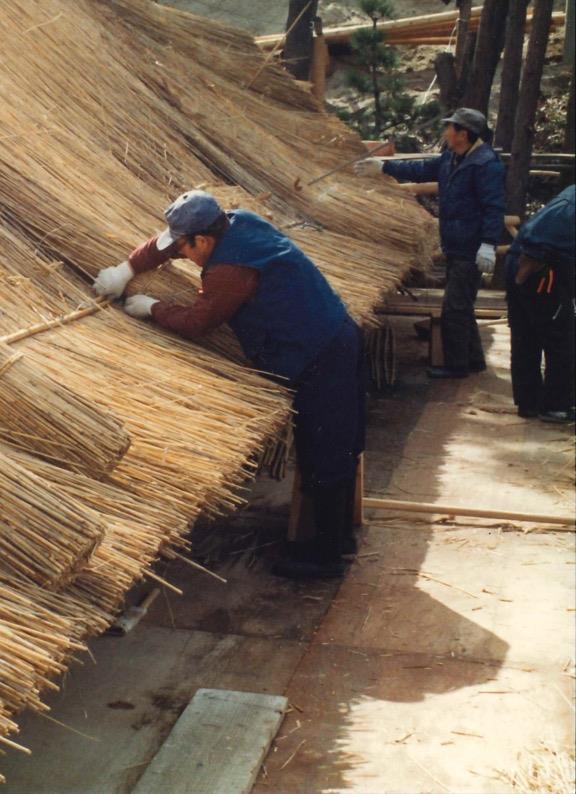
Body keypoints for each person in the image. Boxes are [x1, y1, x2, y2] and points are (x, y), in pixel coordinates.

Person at [93, 191, 365, 579]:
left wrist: (152, 307)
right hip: (333, 334)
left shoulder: (230, 271)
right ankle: (336, 540)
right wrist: (126, 269)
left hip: (319, 353)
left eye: (185, 248)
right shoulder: (238, 221)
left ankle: (324, 558)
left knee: (325, 451)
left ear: (202, 241)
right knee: (331, 445)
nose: (180, 255)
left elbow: (199, 322)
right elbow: (163, 245)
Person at [355, 108, 506, 378]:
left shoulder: (486, 165)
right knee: (462, 305)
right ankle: (473, 360)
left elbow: (493, 208)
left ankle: (456, 366)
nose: (445, 132)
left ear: (464, 134)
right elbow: (423, 167)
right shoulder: (452, 156)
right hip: (456, 244)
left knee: (454, 307)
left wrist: (488, 244)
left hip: (471, 247)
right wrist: (384, 167)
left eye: (450, 128)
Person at [504, 186, 575, 423]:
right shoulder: (569, 207)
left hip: (526, 262)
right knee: (560, 338)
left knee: (527, 337)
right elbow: (539, 239)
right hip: (537, 269)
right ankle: (555, 406)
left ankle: (530, 402)